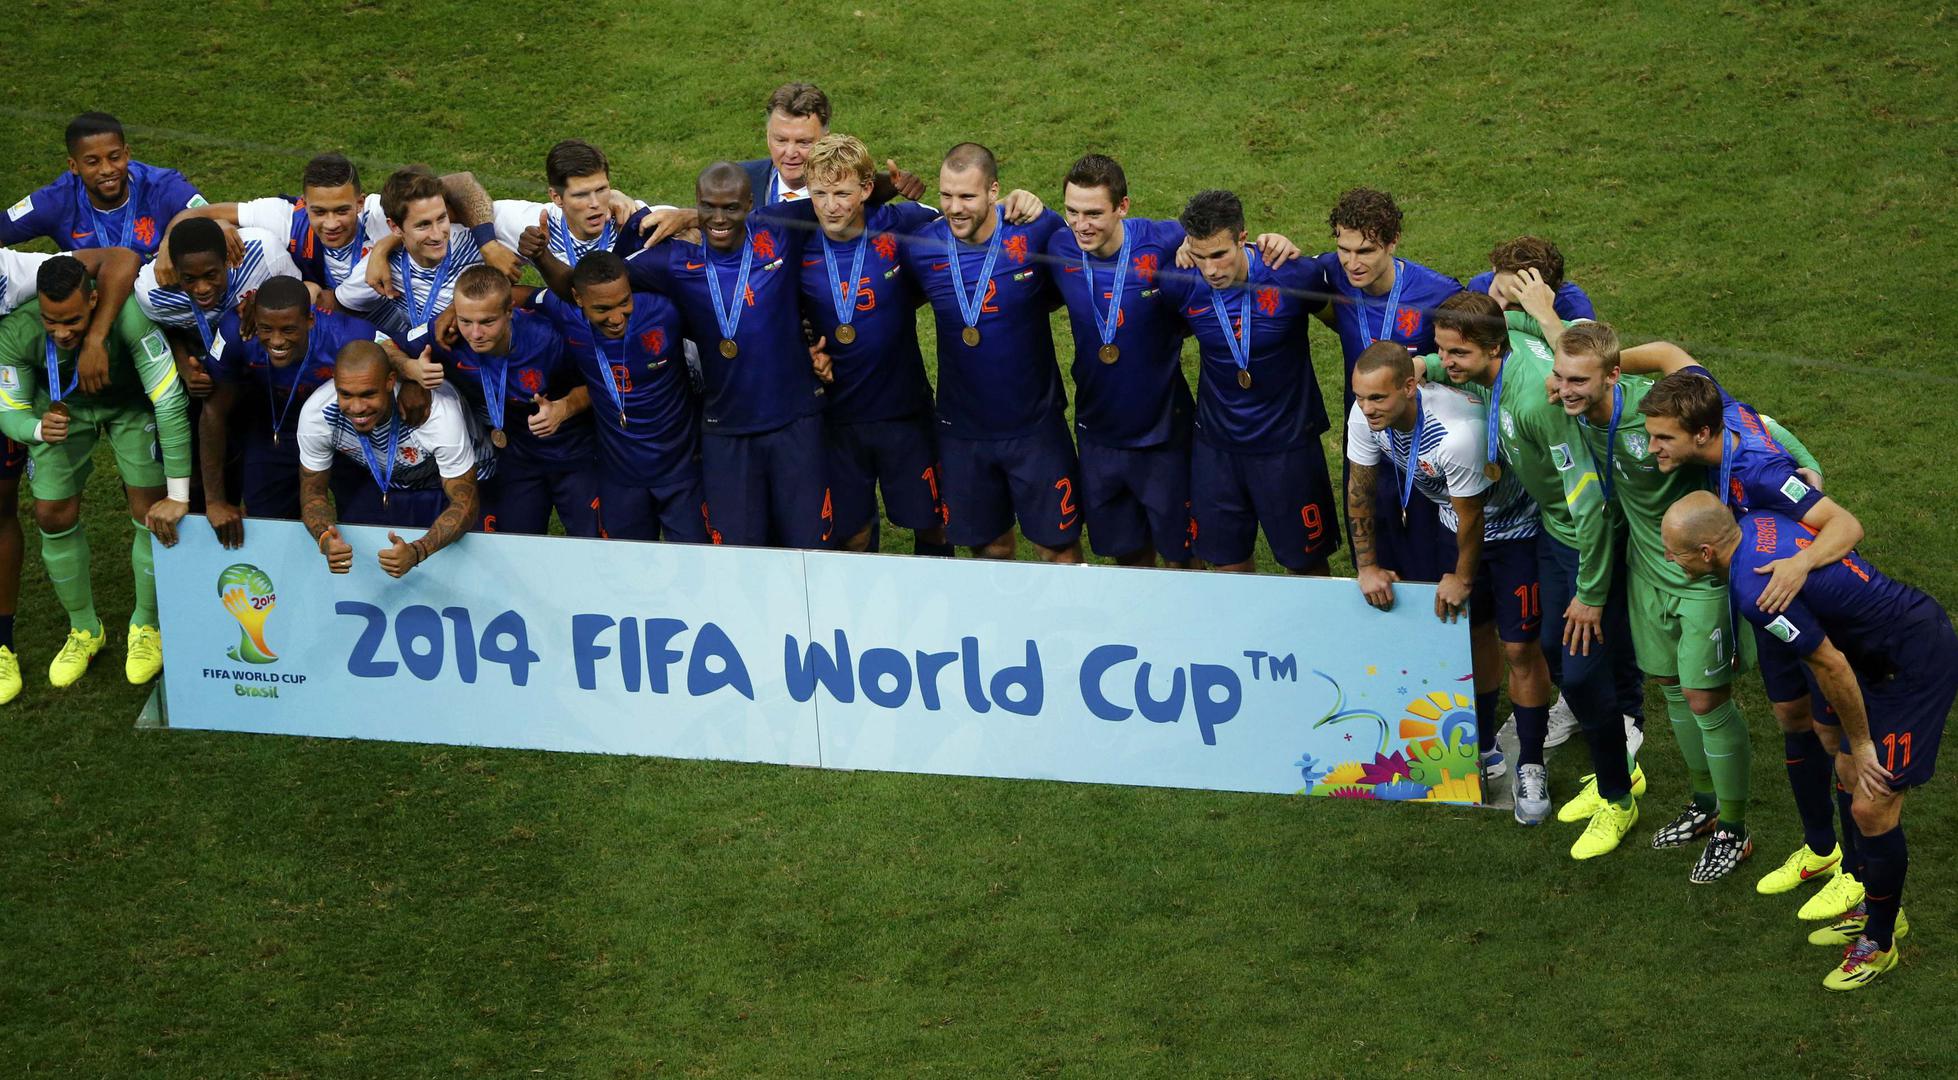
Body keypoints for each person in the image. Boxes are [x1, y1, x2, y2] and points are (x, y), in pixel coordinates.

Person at [1664, 491, 1957, 989]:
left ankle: (1881, 942)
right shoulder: (1757, 522)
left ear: (1707, 552)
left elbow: (1831, 665)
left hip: (1913, 664)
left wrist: (1862, 743)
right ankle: (1874, 906)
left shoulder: (1754, 590)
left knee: (1873, 803)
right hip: (1878, 654)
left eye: (1675, 553)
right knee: (1845, 770)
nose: (1671, 561)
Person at [1630, 355, 1868, 913]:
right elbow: (1669, 352)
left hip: (1806, 600)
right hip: (1770, 598)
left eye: (1663, 438)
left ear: (1702, 433)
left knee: (1835, 738)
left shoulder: (1758, 470)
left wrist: (1799, 565)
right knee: (1790, 717)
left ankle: (1856, 873)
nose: (1651, 448)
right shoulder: (1718, 406)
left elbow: (1846, 524)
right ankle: (1820, 849)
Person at [1420, 290, 1642, 858]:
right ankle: (1618, 768)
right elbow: (1507, 324)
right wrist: (1421, 366)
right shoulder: (1500, 356)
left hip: (1587, 540)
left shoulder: (1537, 403)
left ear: (1493, 348)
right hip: (1553, 532)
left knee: (1582, 671)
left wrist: (1591, 594)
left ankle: (1618, 794)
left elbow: (1588, 502)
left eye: (1456, 353)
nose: (1446, 362)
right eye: (1442, 350)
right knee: (1552, 651)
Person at [1552, 321, 1754, 883]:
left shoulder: (1667, 411)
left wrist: (1807, 469)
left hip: (1700, 580)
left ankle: (1735, 829)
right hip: (1646, 573)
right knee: (1670, 690)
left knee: (1706, 700)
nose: (1565, 389)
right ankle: (1704, 802)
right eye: (1561, 378)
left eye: (1578, 379)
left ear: (1611, 376)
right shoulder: (1582, 407)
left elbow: (1758, 429)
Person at [1346, 341, 1551, 812]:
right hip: (1451, 525)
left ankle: (1531, 765)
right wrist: (1367, 565)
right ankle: (1483, 746)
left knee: (1520, 646)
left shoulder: (1456, 433)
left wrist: (1462, 577)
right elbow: (1360, 488)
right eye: (1359, 396)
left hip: (1515, 531)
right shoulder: (1364, 417)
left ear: (1409, 387)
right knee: (1471, 635)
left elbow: (1473, 517)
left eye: (1377, 397)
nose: (1366, 408)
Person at [0, 256, 191, 689]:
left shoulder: (132, 318)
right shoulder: (18, 329)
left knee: (151, 509)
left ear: (93, 300)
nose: (61, 332)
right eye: (51, 321)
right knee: (51, 514)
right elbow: (8, 407)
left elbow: (169, 401)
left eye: (72, 321)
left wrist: (178, 494)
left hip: (130, 407)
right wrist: (36, 429)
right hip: (60, 412)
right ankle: (85, 629)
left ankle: (147, 625)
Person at [614, 162, 829, 548]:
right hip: (726, 429)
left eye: (730, 207)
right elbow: (601, 279)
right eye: (707, 207)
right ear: (696, 203)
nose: (718, 218)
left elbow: (847, 200)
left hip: (795, 421)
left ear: (750, 203)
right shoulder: (675, 262)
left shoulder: (777, 227)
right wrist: (633, 224)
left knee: (809, 547)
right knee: (737, 551)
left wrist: (892, 185)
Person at [901, 143, 1079, 563]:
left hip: (1035, 428)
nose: (954, 207)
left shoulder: (1036, 230)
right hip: (963, 432)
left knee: (1058, 550)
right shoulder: (921, 246)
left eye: (967, 196)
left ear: (993, 191)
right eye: (947, 195)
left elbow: (1075, 279)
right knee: (989, 550)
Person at [1153, 189, 1336, 574]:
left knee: (1307, 568)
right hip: (1217, 448)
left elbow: (1341, 322)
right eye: (1200, 256)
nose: (1210, 270)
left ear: (1243, 238)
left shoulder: (1292, 275)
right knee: (1227, 567)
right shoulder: (1180, 283)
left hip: (1287, 446)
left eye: (1219, 254)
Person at [793, 134, 950, 556]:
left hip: (905, 410)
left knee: (933, 525)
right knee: (853, 535)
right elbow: (775, 311)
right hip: (837, 418)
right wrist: (804, 350)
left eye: (842, 193)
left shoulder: (903, 223)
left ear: (866, 189)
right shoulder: (796, 241)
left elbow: (964, 223)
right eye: (820, 194)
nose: (830, 206)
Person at [1045, 154, 1196, 568]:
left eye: (1094, 213)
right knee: (1127, 560)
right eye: (1072, 212)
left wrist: (1270, 243)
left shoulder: (1162, 240)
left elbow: (1224, 239)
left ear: (1122, 206)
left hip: (1164, 436)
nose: (1081, 225)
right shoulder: (1059, 244)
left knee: (1184, 559)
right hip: (1098, 434)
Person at [197, 275, 420, 546]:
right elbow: (213, 412)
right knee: (267, 521)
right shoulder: (237, 330)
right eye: (266, 328)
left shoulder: (344, 333)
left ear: (310, 321)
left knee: (365, 522)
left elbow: (391, 352)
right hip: (276, 424)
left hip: (343, 429)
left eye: (288, 330)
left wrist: (412, 380)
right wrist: (215, 501)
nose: (277, 341)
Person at [527, 251, 707, 542]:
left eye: (624, 303)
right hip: (620, 476)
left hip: (681, 471)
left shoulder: (664, 310)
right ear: (577, 298)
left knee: (694, 560)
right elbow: (516, 296)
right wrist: (450, 315)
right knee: (626, 562)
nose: (616, 318)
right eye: (602, 309)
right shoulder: (565, 313)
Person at [409, 266, 597, 536]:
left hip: (574, 454)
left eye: (487, 322)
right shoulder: (447, 334)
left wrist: (564, 408)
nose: (475, 334)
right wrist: (410, 370)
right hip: (518, 457)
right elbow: (385, 345)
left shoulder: (547, 338)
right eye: (466, 321)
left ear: (510, 310)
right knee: (514, 545)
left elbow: (597, 383)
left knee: (592, 546)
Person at [296, 340, 483, 576]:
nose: (357, 407)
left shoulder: (437, 415)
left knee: (458, 571)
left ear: (390, 381)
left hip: (456, 479)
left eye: (368, 394)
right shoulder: (317, 415)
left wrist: (418, 551)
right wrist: (324, 538)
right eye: (346, 394)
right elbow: (313, 493)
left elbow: (465, 504)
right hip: (388, 481)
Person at [1, 112, 206, 261]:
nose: (107, 169)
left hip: (157, 294)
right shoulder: (56, 200)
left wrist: (169, 244)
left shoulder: (163, 186)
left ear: (127, 154)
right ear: (74, 166)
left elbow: (215, 221)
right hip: (92, 297)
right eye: (93, 162)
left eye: (114, 157)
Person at [334, 167, 491, 339]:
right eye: (423, 225)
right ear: (395, 227)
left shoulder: (477, 239)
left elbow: (464, 182)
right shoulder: (381, 267)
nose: (437, 235)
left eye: (441, 218)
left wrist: (457, 308)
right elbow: (340, 304)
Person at [491, 139, 651, 269]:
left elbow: (664, 218)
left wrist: (670, 218)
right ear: (557, 197)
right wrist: (489, 247)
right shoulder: (537, 225)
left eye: (601, 189)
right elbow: (476, 200)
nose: (595, 203)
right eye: (581, 195)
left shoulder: (633, 218)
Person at [1467, 236, 1597, 321]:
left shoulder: (1573, 306)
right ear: (1495, 269)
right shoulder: (1479, 286)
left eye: (1516, 305)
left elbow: (1587, 354)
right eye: (1499, 292)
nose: (1500, 309)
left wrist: (1546, 315)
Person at [743, 83, 829, 206]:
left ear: (826, 141)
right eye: (781, 140)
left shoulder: (852, 194)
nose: (790, 153)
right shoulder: (736, 182)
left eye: (803, 142)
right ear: (768, 137)